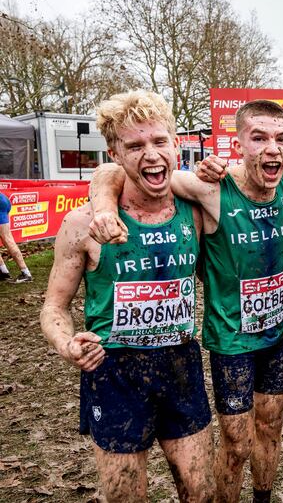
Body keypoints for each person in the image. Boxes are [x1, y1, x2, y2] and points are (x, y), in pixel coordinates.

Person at [88, 99, 283, 503]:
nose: (272, 148)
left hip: (280, 334)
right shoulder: (210, 189)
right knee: (237, 443)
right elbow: (118, 170)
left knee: (271, 426)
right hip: (232, 342)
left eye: (281, 139)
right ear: (238, 145)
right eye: (258, 138)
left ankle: (262, 497)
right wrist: (105, 206)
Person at [39, 90, 215, 502]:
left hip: (180, 364)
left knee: (202, 491)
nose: (151, 154)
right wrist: (67, 344)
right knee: (126, 497)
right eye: (135, 146)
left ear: (176, 144)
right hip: (114, 372)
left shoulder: (193, 210)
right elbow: (53, 307)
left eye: (159, 141)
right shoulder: (83, 224)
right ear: (114, 153)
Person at [0, 191, 33, 282]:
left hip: (1, 203)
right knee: (7, 238)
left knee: (7, 239)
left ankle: (26, 273)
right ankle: (3, 271)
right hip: (3, 199)